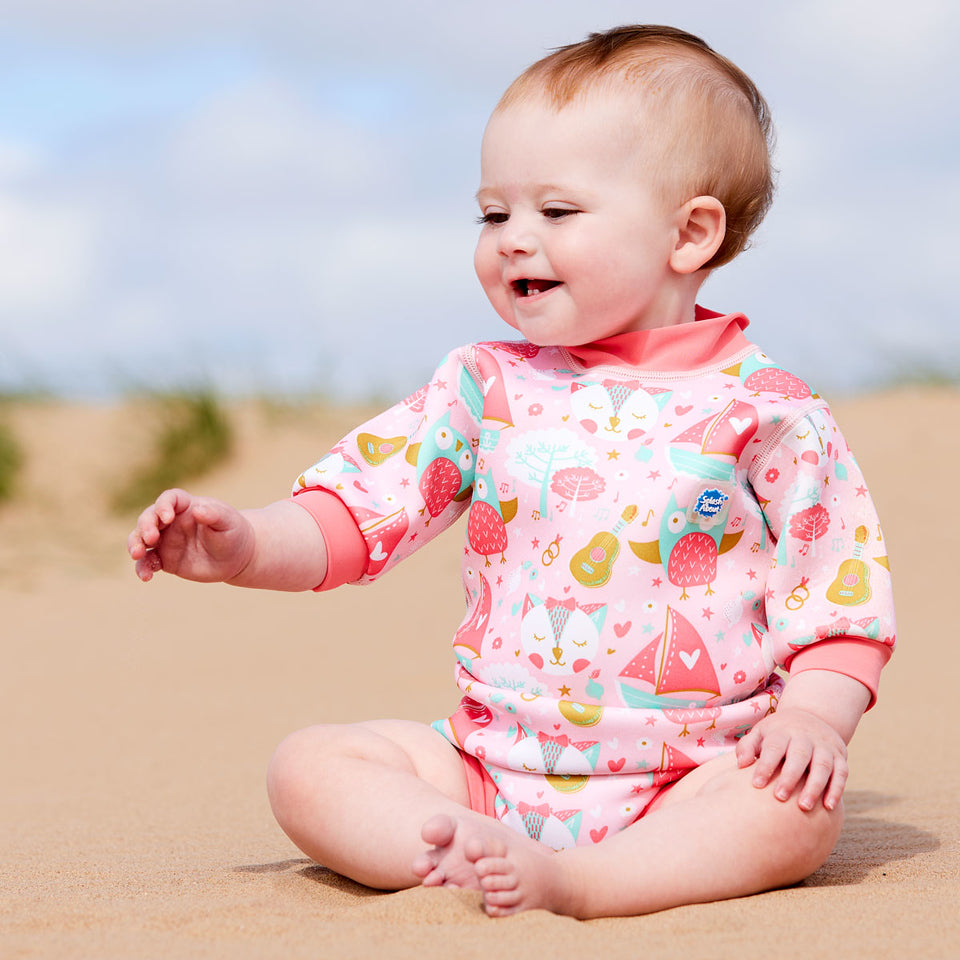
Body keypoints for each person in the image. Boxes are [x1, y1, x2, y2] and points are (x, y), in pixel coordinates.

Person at [127, 25, 896, 919]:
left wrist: (812, 717)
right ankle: (457, 850)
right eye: (494, 214)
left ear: (689, 234)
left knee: (792, 814)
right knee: (309, 766)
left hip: (692, 773)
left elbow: (838, 589)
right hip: (489, 765)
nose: (514, 241)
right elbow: (360, 511)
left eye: (557, 213)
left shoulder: (767, 408)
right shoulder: (486, 385)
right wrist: (248, 544)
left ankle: (590, 884)